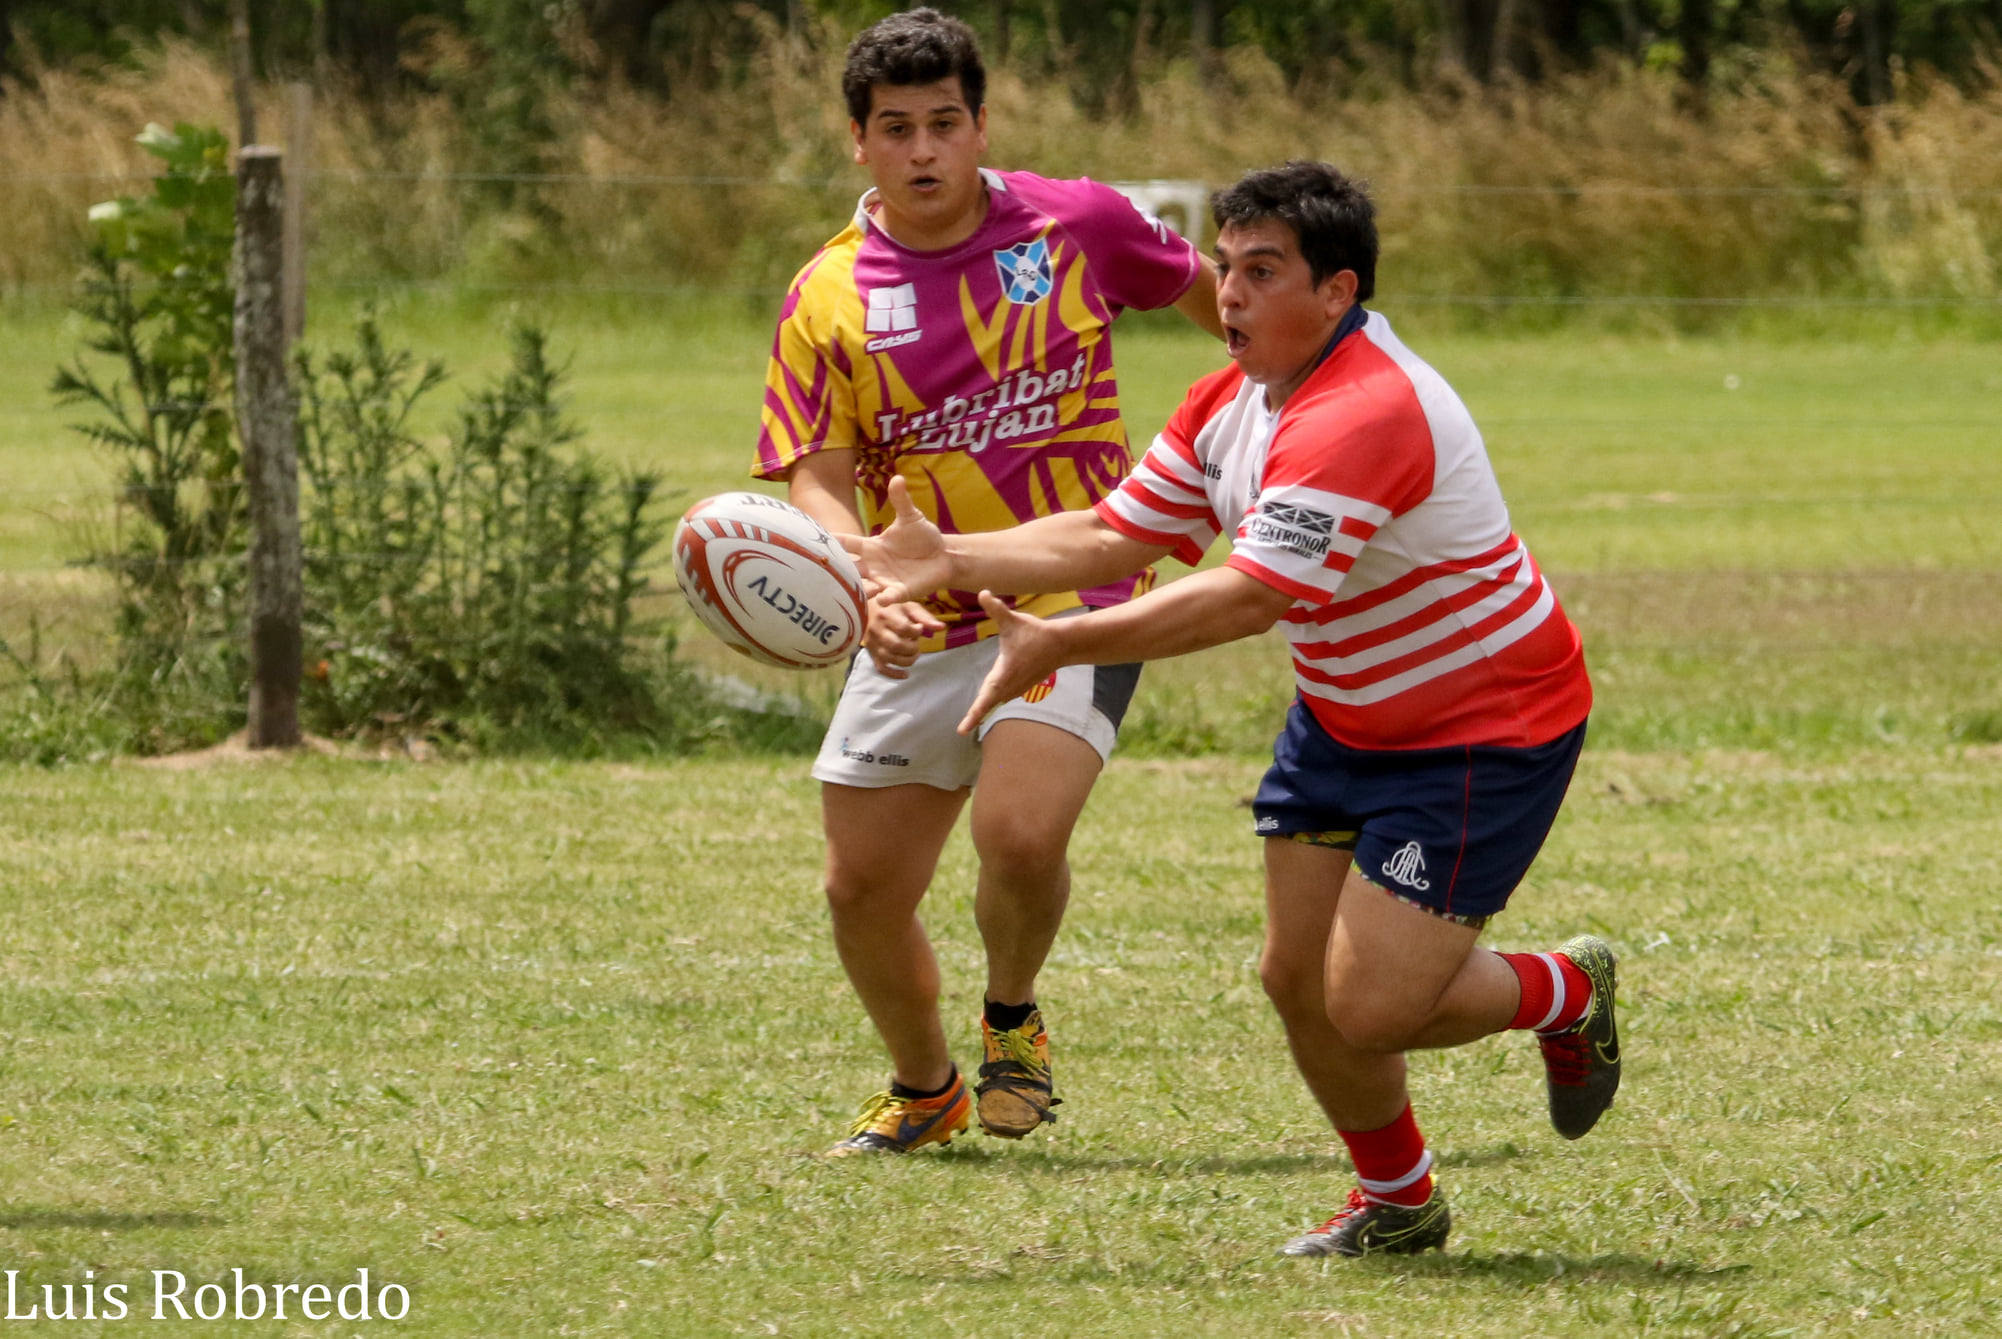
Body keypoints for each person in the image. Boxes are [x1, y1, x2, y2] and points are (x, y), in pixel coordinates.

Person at [846, 160, 1619, 1254]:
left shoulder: (1367, 408)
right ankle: (1399, 1203)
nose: (1230, 296)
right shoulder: (1230, 398)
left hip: (1479, 727)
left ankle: (1560, 990)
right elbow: (1117, 534)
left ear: (1338, 292)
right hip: (1346, 712)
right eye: (1223, 268)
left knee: (1373, 1005)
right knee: (1294, 977)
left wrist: (1064, 634)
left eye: (1263, 272)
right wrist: (947, 557)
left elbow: (1251, 595)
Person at [752, 7, 1222, 1156]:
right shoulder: (826, 294)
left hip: (1075, 593)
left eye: (944, 124)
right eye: (897, 128)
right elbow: (810, 480)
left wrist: (1270, 408)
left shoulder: (1077, 224)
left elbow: (1224, 303)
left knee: (1016, 833)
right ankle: (927, 1087)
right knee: (859, 892)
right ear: (857, 140)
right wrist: (866, 581)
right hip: (918, 614)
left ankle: (1012, 1017)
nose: (924, 151)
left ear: (979, 126)